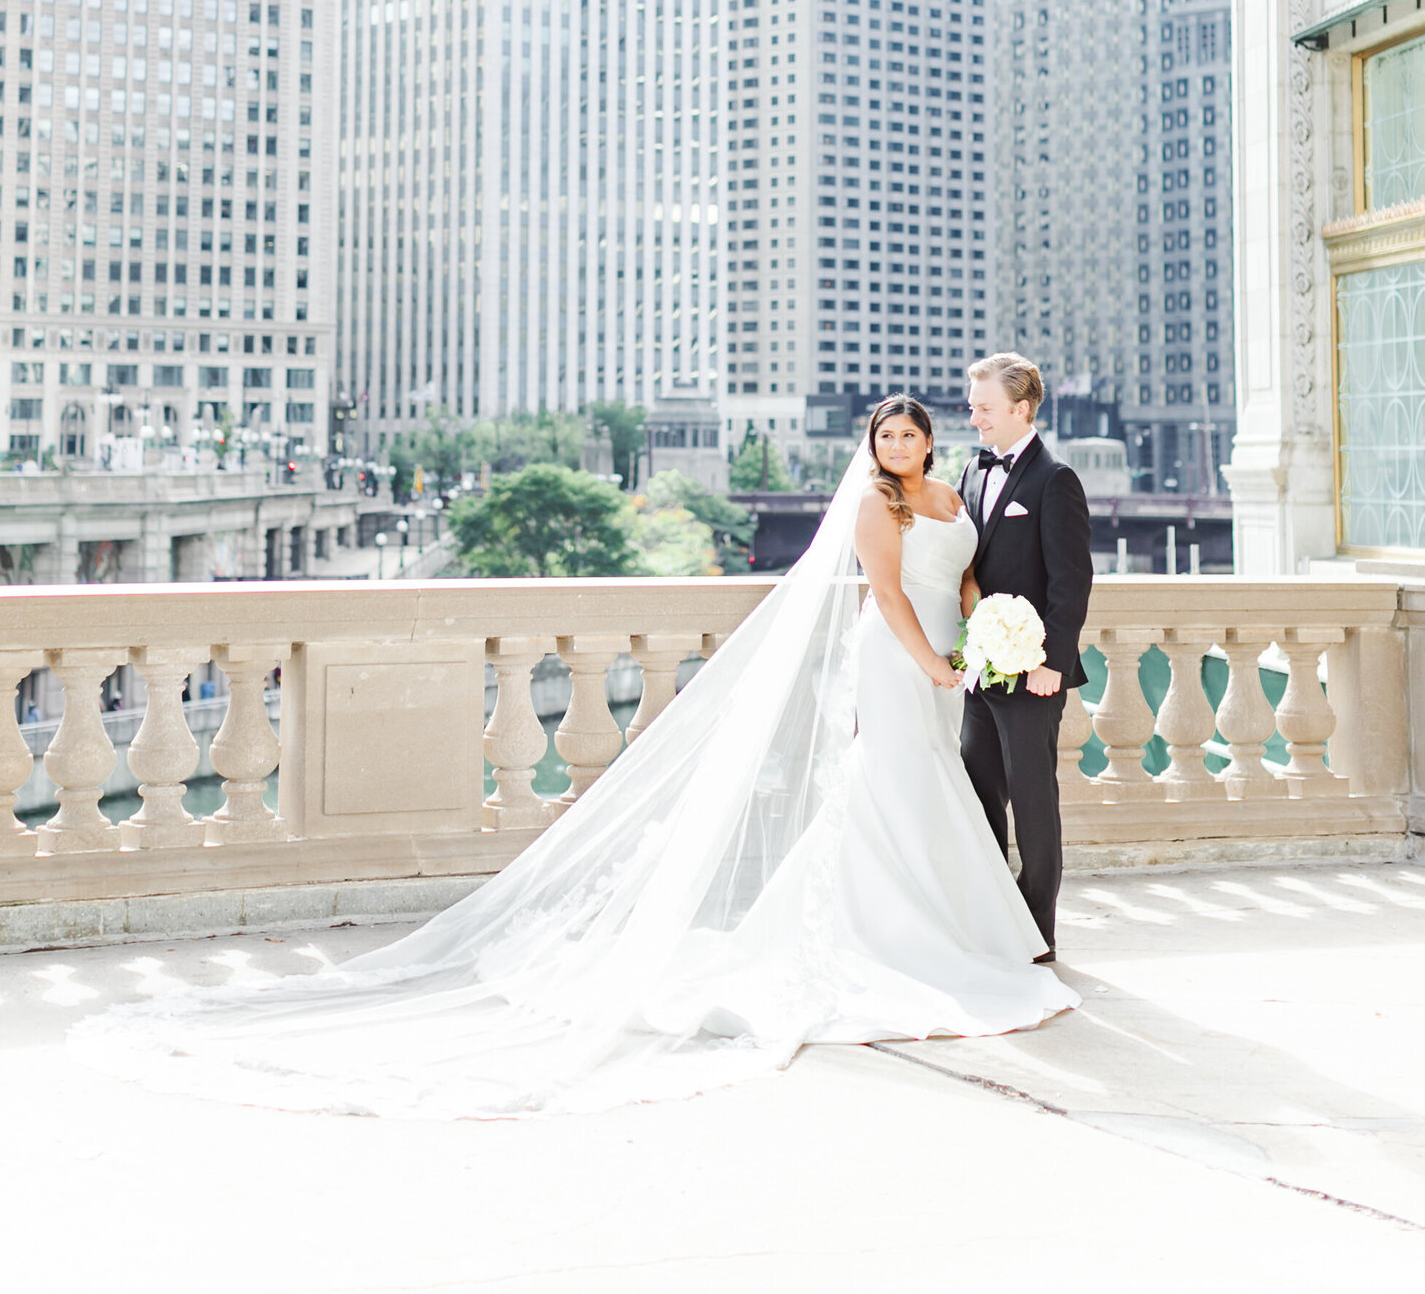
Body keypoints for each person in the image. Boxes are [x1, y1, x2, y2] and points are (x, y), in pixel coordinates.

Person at [73, 396, 1074, 1120]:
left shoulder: (954, 496)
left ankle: (961, 931)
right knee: (883, 791)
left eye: (910, 434)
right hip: (901, 664)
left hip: (950, 661)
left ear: (933, 439)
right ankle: (890, 934)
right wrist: (931, 665)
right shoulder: (878, 507)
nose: (898, 446)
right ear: (873, 447)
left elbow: (973, 579)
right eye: (884, 436)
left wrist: (984, 637)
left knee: (933, 790)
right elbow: (889, 597)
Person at [959, 354, 1094, 960]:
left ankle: (1038, 935)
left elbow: (1071, 584)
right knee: (980, 796)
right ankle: (993, 918)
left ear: (1021, 409)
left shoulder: (1055, 479)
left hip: (1034, 673)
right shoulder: (969, 471)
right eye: (972, 405)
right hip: (981, 672)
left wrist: (1052, 666)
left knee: (1035, 804)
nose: (974, 416)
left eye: (984, 407)